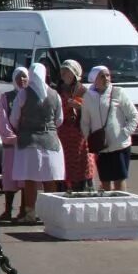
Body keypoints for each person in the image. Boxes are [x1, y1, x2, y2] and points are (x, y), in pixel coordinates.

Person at [8, 63, 64, 225]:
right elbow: (59, 120)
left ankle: (30, 213)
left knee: (30, 179)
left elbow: (14, 118)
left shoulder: (23, 94)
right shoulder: (55, 95)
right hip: (51, 141)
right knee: (50, 178)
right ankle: (51, 214)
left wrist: (23, 128)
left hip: (29, 141)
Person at [82, 65, 138, 192]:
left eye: (108, 75)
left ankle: (121, 207)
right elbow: (85, 122)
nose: (106, 78)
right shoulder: (88, 97)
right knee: (105, 180)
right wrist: (88, 138)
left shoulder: (118, 92)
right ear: (94, 79)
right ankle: (107, 207)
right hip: (100, 147)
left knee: (119, 179)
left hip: (119, 145)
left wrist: (125, 132)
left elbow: (134, 116)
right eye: (102, 76)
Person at [54, 60, 96, 194]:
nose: (64, 73)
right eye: (63, 70)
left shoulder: (83, 91)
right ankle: (63, 192)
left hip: (79, 135)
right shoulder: (56, 90)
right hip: (62, 134)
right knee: (63, 166)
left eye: (67, 71)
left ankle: (83, 191)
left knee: (81, 164)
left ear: (75, 73)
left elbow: (93, 112)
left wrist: (81, 107)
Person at [0, 67, 28, 221]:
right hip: (12, 144)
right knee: (9, 178)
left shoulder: (31, 96)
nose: (22, 80)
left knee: (25, 179)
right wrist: (10, 137)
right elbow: (2, 119)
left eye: (25, 77)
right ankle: (8, 210)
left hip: (26, 143)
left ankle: (24, 210)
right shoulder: (6, 97)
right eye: (19, 77)